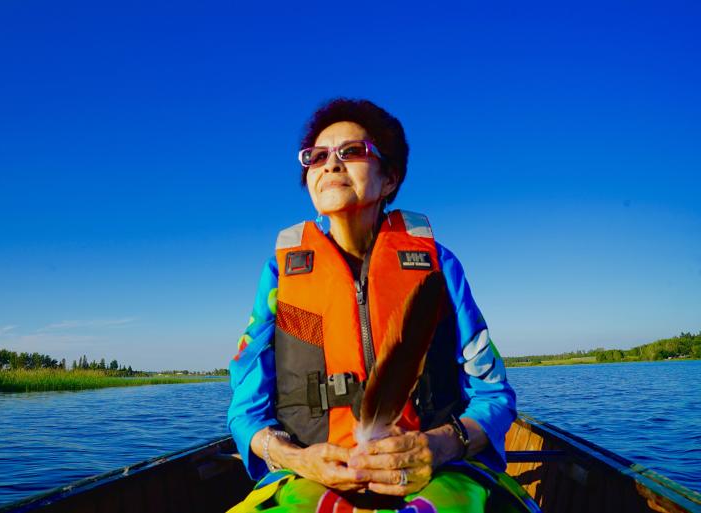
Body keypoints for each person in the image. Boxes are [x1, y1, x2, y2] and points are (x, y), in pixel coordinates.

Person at [227, 98, 531, 512]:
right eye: (316, 157)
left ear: (389, 179)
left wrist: (440, 447)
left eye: (351, 152)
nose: (330, 164)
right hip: (309, 476)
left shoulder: (439, 267)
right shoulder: (279, 277)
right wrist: (295, 457)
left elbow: (495, 396)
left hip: (438, 472)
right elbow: (246, 413)